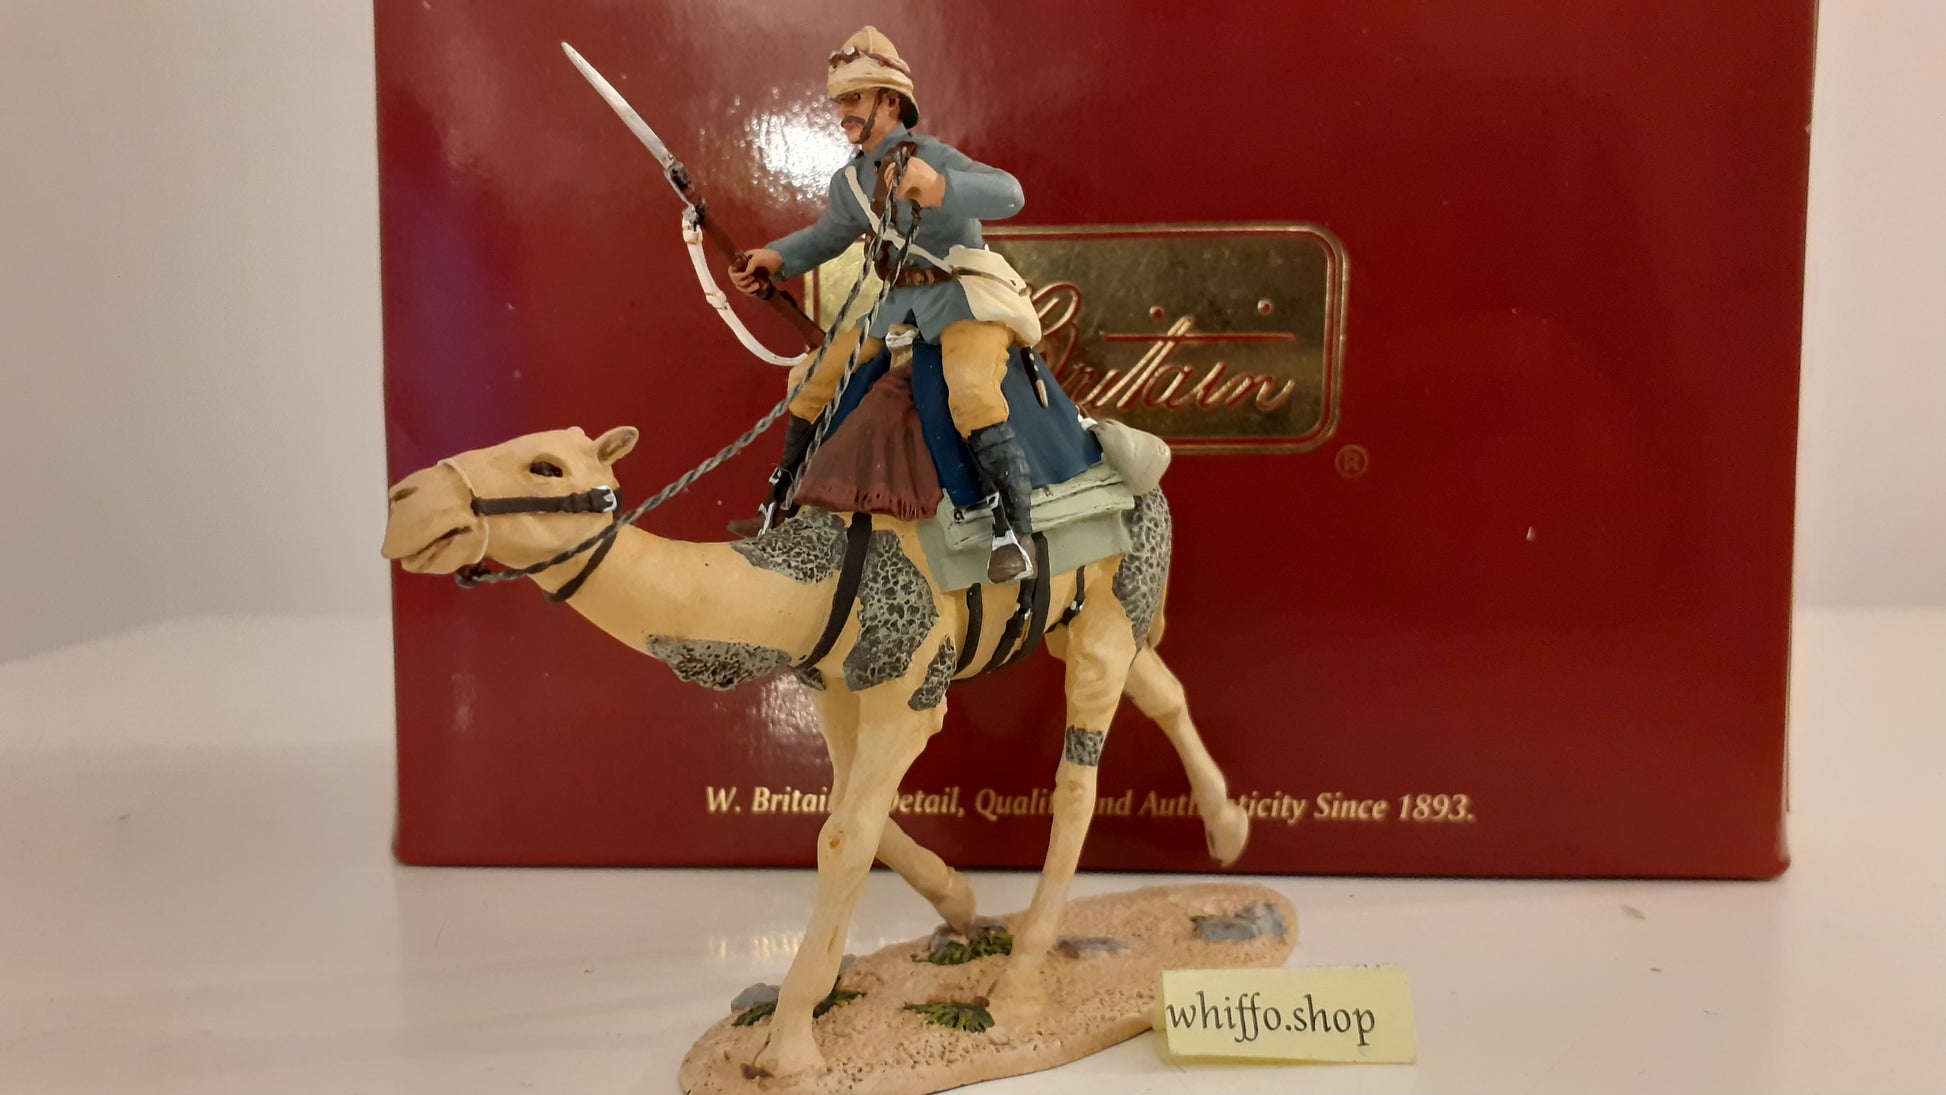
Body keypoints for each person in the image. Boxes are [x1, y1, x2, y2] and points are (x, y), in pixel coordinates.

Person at [729, 26, 1044, 582]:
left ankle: (1012, 532)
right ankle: (781, 503)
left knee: (971, 391)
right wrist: (774, 258)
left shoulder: (934, 157)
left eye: (855, 99)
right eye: (841, 101)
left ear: (890, 102)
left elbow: (1010, 193)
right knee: (813, 379)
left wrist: (941, 187)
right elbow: (826, 237)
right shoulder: (850, 182)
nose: (843, 113)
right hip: (899, 304)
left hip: (967, 296)